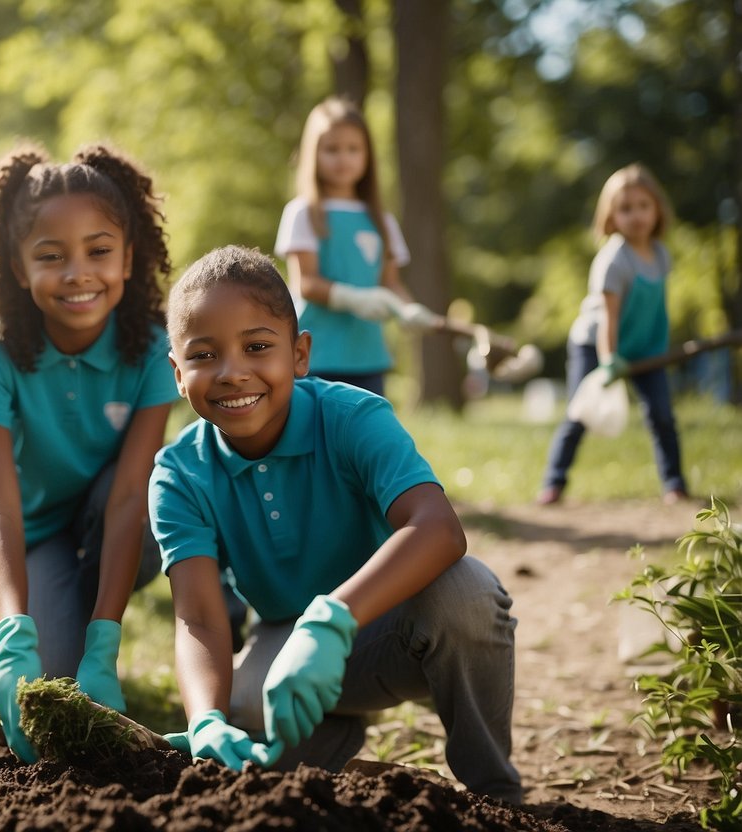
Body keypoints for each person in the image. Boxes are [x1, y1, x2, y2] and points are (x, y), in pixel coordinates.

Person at [150, 245, 521, 804]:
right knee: (245, 711)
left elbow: (439, 529)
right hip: (283, 637)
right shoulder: (179, 474)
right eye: (204, 355)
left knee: (468, 594)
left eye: (257, 346)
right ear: (178, 373)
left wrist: (331, 621)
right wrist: (205, 720)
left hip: (397, 624)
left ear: (300, 354)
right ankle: (331, 736)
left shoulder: (352, 416)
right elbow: (199, 618)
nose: (233, 372)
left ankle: (494, 790)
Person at [0, 142, 178, 763]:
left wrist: (104, 640)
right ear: (19, 269)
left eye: (99, 251)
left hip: (119, 515)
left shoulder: (153, 347)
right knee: (49, 682)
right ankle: (59, 608)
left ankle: (215, 611)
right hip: (40, 530)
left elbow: (132, 493)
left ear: (129, 258)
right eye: (52, 256)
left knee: (160, 492)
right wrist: (11, 632)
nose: (78, 273)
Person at [537, 164, 688, 506]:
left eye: (643, 206)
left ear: (657, 210)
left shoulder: (662, 255)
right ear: (611, 216)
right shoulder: (614, 260)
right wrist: (607, 363)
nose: (636, 216)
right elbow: (609, 317)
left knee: (662, 414)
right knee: (580, 412)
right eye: (625, 208)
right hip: (597, 345)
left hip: (644, 348)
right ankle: (553, 482)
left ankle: (674, 482)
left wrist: (659, 347)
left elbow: (654, 308)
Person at [274, 97, 439, 396]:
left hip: (368, 357)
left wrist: (407, 309)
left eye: (353, 149)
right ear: (313, 153)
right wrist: (351, 297)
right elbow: (305, 283)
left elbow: (390, 283)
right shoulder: (303, 213)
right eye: (331, 149)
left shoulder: (382, 221)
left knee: (363, 439)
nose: (343, 159)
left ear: (367, 156)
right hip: (314, 355)